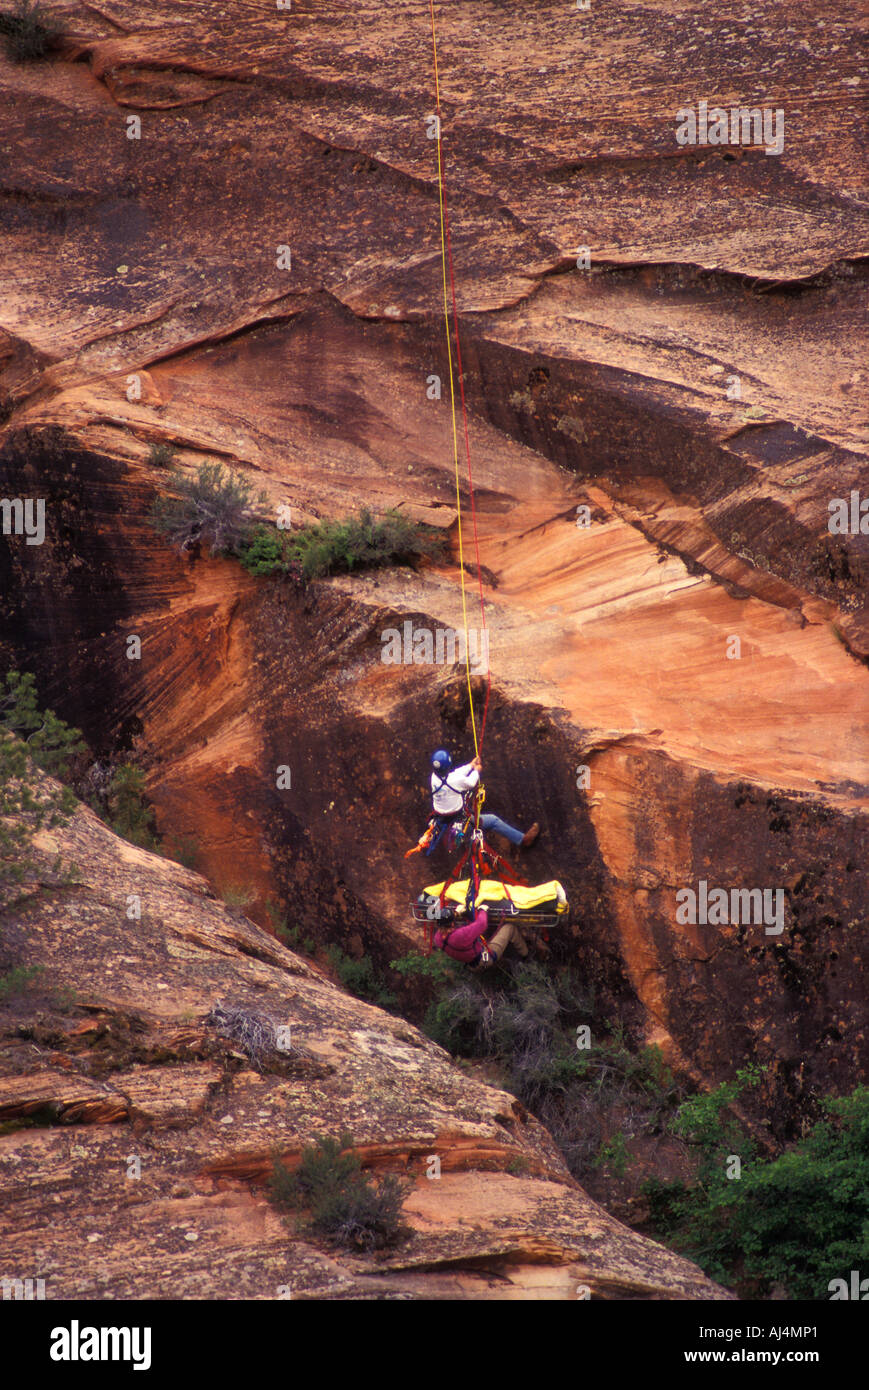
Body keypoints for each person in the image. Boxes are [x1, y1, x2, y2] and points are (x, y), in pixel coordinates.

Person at [429, 750, 539, 849]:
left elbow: (454, 775)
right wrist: (477, 771)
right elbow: (470, 782)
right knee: (493, 820)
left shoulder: (434, 778)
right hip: (457, 818)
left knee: (466, 800)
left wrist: (470, 766)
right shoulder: (454, 781)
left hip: (441, 818)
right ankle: (523, 840)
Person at [432, 904, 528, 968]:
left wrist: (456, 913)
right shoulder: (460, 936)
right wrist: (482, 910)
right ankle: (525, 955)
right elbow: (482, 924)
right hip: (485, 959)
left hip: (471, 963)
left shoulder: (438, 938)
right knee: (510, 928)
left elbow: (447, 926)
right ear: (452, 923)